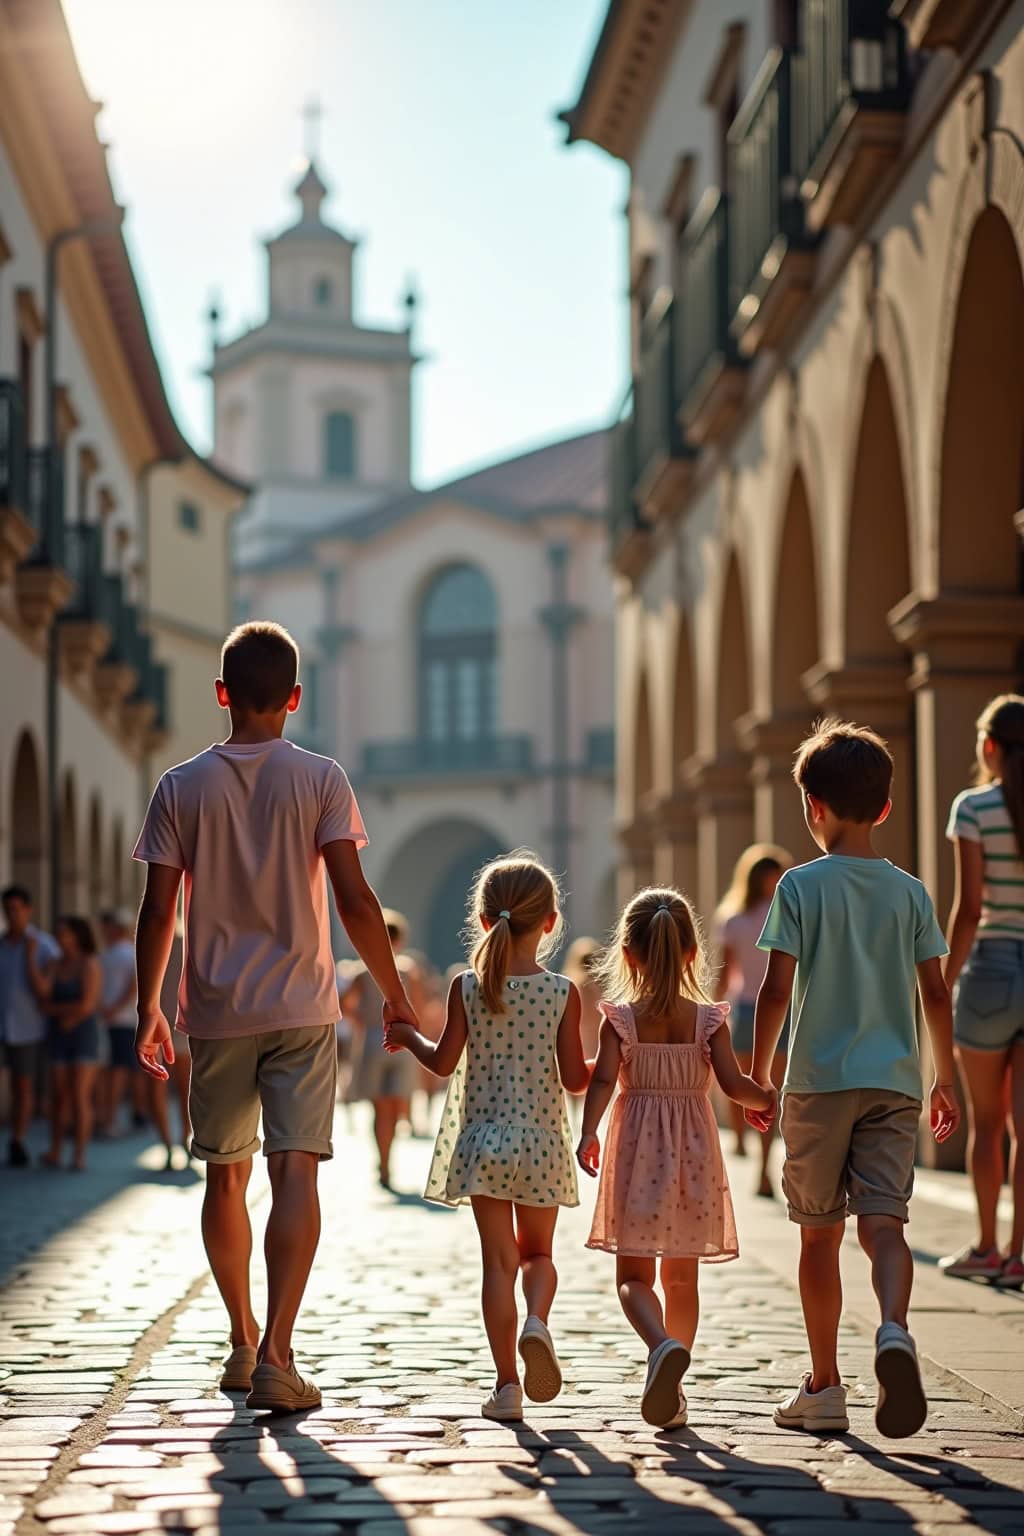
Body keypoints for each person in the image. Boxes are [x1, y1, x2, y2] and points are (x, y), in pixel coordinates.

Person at [132, 620, 420, 1414]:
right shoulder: (322, 779)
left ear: (222, 694)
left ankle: (239, 1340)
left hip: (215, 1011)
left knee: (224, 1177)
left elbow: (158, 913)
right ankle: (279, 1356)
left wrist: (148, 1007)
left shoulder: (179, 787)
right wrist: (396, 996)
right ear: (294, 698)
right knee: (295, 1169)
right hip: (301, 1006)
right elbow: (356, 901)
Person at [751, 718, 959, 1439]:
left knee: (817, 1235)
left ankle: (824, 1385)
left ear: (813, 808)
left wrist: (758, 1074)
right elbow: (935, 993)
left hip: (816, 1083)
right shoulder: (910, 894)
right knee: (885, 1222)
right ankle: (894, 1330)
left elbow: (776, 991)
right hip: (895, 1083)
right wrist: (945, 1080)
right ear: (886, 807)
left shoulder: (799, 888)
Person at [384, 850, 588, 1423]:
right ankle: (537, 1322)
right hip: (542, 1143)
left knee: (497, 1265)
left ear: (482, 920)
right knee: (539, 1255)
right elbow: (574, 1078)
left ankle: (505, 1388)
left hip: (483, 1144)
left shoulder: (466, 987)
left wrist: (408, 1038)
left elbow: (443, 1063)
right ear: (550, 923)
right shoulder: (562, 993)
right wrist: (611, 1060)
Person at [576, 887, 773, 1429]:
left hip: (637, 1154)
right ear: (692, 952)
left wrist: (588, 1132)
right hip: (693, 1161)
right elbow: (735, 1086)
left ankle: (659, 1346)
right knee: (682, 1281)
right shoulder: (709, 1019)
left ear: (628, 954)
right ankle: (675, 1384)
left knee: (633, 1278)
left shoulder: (620, 1019)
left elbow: (601, 1080)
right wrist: (767, 1100)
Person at [941, 695, 1024, 1288]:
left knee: (987, 1124)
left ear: (989, 746)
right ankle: (1021, 1254)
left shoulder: (973, 807)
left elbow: (969, 908)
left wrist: (944, 983)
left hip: (991, 972)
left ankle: (988, 1247)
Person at [716, 844, 792, 1195]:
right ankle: (744, 1141)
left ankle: (762, 1166)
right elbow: (726, 972)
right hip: (748, 1007)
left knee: (762, 1090)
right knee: (746, 1086)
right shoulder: (742, 919)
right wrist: (715, 1010)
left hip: (770, 1009)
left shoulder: (739, 919)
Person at [342, 910, 425, 1189]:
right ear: (399, 940)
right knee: (395, 1104)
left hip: (372, 1039)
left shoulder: (361, 971)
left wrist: (361, 1021)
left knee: (379, 1108)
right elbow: (420, 1007)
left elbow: (344, 1005)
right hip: (403, 1040)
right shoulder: (408, 970)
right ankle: (390, 1158)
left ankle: (384, 1162)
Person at [27, 915, 102, 1171]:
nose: (60, 938)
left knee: (80, 1096)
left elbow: (87, 1005)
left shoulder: (88, 964)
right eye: (58, 933)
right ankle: (56, 1150)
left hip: (84, 1036)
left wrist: (56, 1010)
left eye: (64, 933)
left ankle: (79, 1154)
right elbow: (42, 995)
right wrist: (30, 958)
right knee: (58, 1096)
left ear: (77, 935)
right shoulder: (56, 964)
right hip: (59, 1036)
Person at [0, 886, 59, 1167]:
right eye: (7, 909)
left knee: (22, 1087)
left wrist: (28, 957)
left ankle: (18, 1140)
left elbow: (45, 992)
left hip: (27, 1028)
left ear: (27, 910)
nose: (11, 915)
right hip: (2, 1024)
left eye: (16, 909)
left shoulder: (44, 946)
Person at [98, 910, 139, 1135]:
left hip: (123, 1021)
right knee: (111, 1073)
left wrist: (113, 1008)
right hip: (109, 1021)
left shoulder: (129, 953)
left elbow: (134, 986)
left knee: (118, 1073)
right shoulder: (104, 955)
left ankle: (112, 1119)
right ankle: (107, 1118)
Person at [564, 937, 603, 1133]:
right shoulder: (596, 989)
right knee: (590, 1081)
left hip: (578, 1036)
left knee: (574, 1081)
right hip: (591, 1038)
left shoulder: (572, 984)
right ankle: (585, 1120)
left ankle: (575, 1117)